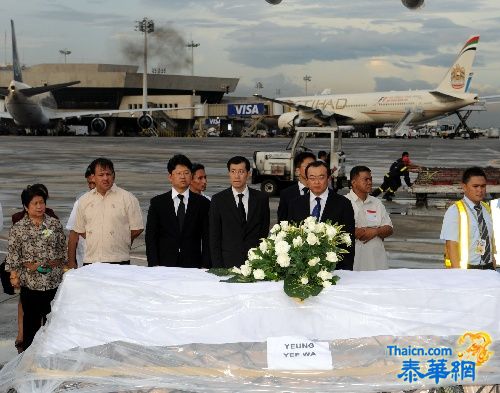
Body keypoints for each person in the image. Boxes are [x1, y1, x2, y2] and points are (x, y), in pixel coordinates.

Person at [6, 185, 67, 351]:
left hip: (52, 282)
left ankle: (50, 355)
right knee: (31, 324)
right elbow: (13, 255)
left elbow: (62, 249)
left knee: (52, 322)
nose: (40, 206)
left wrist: (62, 268)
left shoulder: (54, 224)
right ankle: (29, 358)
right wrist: (14, 276)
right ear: (26, 206)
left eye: (42, 202)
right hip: (30, 283)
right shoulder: (18, 228)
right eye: (35, 203)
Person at [70, 158, 144, 265]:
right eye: (101, 175)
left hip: (119, 260)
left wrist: (121, 238)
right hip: (92, 261)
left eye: (108, 174)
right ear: (93, 177)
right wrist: (98, 235)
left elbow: (137, 229)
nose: (105, 178)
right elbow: (81, 230)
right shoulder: (84, 200)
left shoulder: (128, 198)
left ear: (113, 176)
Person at [146, 154, 211, 268]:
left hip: (193, 265)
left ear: (191, 176)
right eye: (178, 173)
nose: (183, 177)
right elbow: (151, 237)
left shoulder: (203, 203)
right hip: (164, 265)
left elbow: (207, 238)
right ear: (170, 176)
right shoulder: (158, 203)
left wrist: (205, 266)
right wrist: (153, 265)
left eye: (186, 173)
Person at [288, 161, 355, 270]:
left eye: (321, 177)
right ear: (307, 180)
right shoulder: (295, 204)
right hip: (302, 269)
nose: (317, 182)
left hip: (334, 269)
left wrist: (345, 270)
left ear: (328, 179)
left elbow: (348, 241)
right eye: (312, 178)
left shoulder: (343, 204)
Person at [210, 156, 270, 268]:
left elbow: (264, 232)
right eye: (233, 171)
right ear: (229, 173)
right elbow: (214, 236)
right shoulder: (218, 200)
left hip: (255, 263)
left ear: (249, 173)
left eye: (241, 172)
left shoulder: (261, 199)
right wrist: (217, 267)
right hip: (227, 263)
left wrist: (261, 261)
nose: (236, 176)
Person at [440, 167, 496, 270]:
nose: (480, 190)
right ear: (464, 187)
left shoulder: (487, 208)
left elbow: (490, 240)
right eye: (475, 186)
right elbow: (451, 246)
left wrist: (493, 267)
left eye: (483, 186)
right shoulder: (455, 211)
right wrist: (459, 274)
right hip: (467, 269)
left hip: (488, 268)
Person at [345, 166, 393, 271]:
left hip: (377, 263)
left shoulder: (376, 203)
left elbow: (389, 228)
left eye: (370, 179)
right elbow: (339, 231)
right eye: (365, 179)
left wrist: (375, 231)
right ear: (353, 182)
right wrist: (359, 232)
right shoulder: (343, 202)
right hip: (353, 263)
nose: (370, 182)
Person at [66, 163, 96, 268]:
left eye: (94, 183)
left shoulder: (117, 200)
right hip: (85, 258)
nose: (91, 187)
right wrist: (71, 262)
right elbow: (73, 234)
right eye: (89, 183)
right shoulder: (81, 202)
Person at [277, 151, 316, 222]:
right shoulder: (286, 194)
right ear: (298, 171)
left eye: (314, 166)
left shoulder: (322, 192)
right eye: (308, 166)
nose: (312, 169)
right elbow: (282, 221)